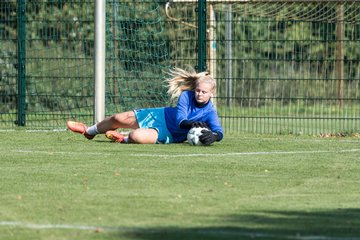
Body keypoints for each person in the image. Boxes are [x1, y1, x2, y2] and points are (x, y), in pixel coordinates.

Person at [67, 67, 224, 145]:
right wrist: (191, 123)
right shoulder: (186, 96)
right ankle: (88, 131)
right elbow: (180, 120)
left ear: (211, 94)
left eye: (204, 92)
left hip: (171, 134)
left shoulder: (210, 112)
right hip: (161, 115)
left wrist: (214, 137)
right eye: (198, 90)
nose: (200, 94)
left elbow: (219, 132)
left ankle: (123, 138)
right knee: (118, 118)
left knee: (137, 136)